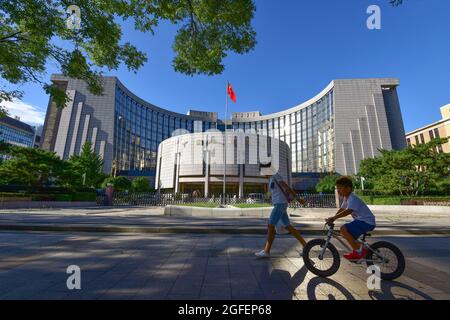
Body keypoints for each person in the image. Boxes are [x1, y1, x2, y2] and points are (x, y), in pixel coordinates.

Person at [254, 162, 307, 259]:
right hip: (279, 204)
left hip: (280, 204)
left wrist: (299, 199)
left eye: (262, 170)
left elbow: (287, 187)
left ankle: (266, 251)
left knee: (270, 225)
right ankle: (306, 246)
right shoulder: (271, 178)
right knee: (288, 227)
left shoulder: (276, 176)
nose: (262, 172)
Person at [326, 176, 376, 261]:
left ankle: (358, 251)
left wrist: (334, 218)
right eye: (337, 188)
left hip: (366, 222)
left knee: (343, 229)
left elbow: (348, 211)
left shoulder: (352, 198)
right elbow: (342, 209)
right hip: (362, 221)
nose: (338, 191)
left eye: (340, 188)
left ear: (348, 188)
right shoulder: (347, 198)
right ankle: (359, 250)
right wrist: (333, 218)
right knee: (349, 235)